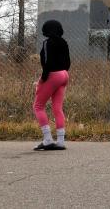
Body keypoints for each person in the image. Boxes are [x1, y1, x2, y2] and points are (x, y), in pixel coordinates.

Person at [34, 19, 71, 151]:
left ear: (46, 30)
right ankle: (60, 141)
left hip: (53, 75)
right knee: (57, 107)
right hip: (64, 75)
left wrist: (42, 79)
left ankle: (48, 139)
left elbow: (47, 62)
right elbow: (68, 62)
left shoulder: (47, 43)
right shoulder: (64, 42)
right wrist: (63, 72)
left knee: (38, 106)